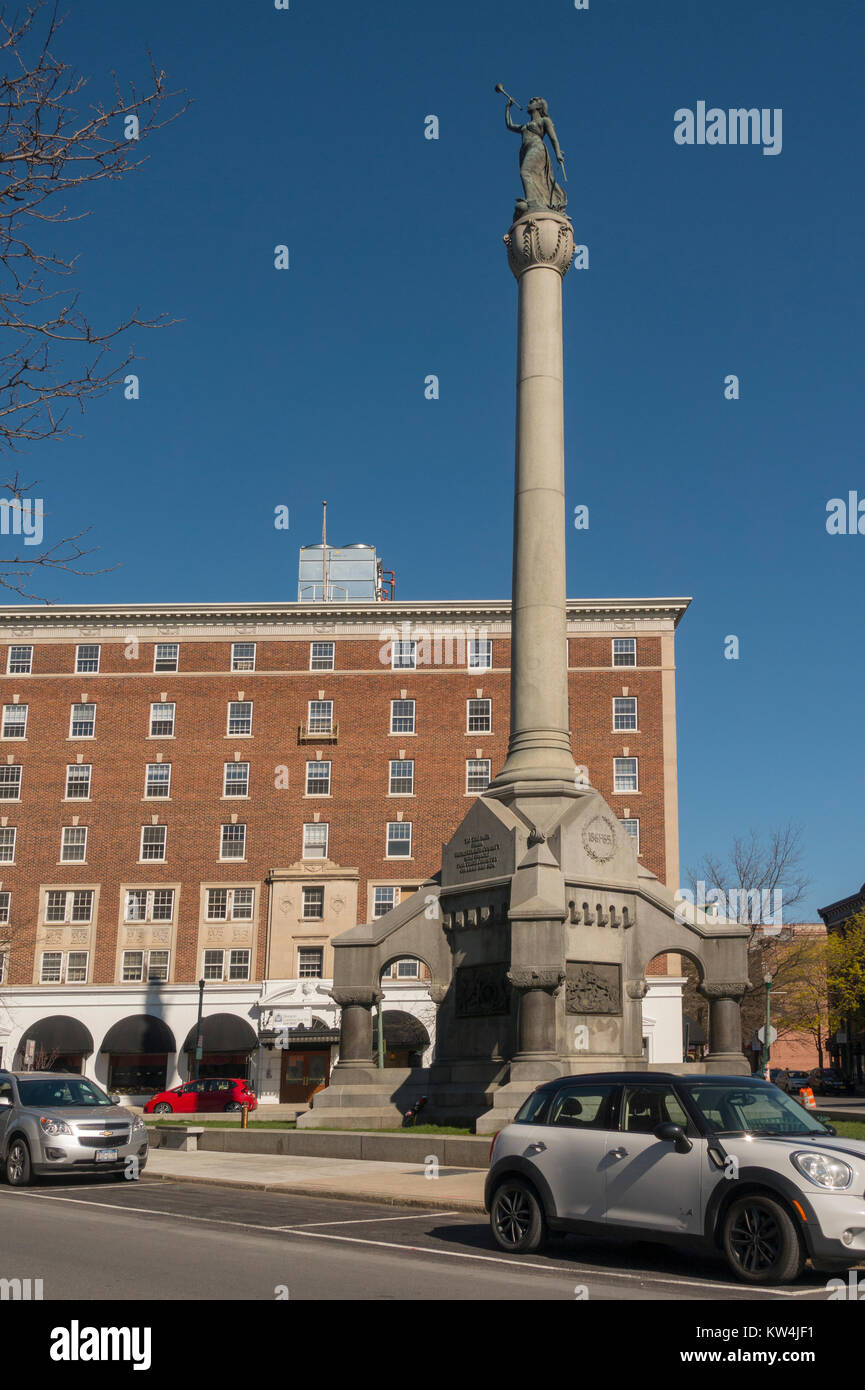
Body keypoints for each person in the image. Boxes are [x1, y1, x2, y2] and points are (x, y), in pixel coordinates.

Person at [505, 96, 567, 213]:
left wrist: (558, 153)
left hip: (537, 147)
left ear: (539, 106)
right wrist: (508, 108)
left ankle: (531, 202)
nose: (529, 104)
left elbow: (553, 138)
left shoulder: (544, 121)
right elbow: (509, 125)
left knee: (525, 172)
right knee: (532, 176)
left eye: (532, 102)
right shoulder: (525, 125)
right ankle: (536, 201)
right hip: (525, 151)